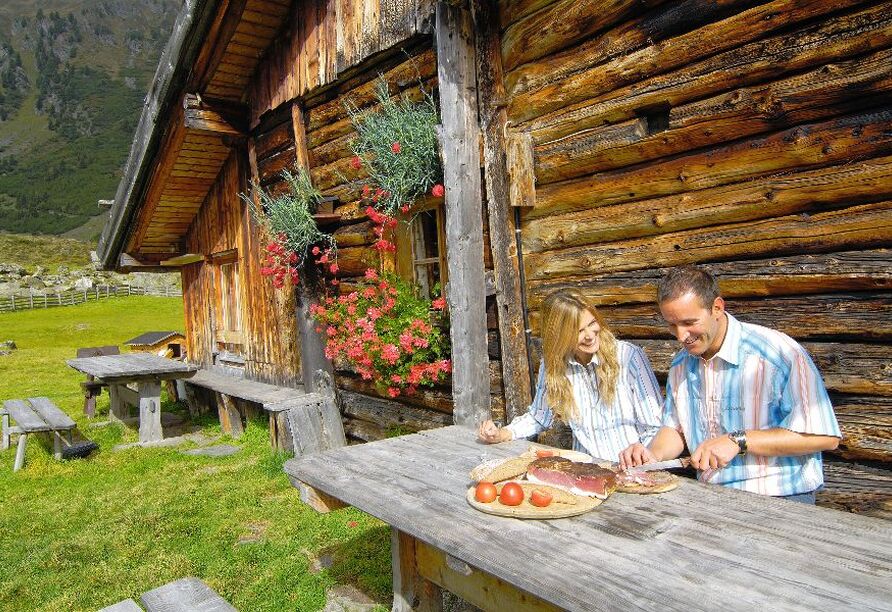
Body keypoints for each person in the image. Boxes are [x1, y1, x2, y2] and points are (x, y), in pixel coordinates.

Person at [619, 266, 841, 503]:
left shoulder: (777, 354)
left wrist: (739, 440)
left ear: (717, 307)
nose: (681, 336)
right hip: (711, 496)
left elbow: (825, 437)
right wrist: (653, 455)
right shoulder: (682, 363)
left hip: (780, 496)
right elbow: (675, 429)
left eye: (689, 322)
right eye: (672, 325)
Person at [477, 290, 663, 462]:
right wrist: (502, 434)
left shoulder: (629, 357)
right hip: (585, 470)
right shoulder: (553, 366)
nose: (590, 335)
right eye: (579, 331)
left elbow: (654, 427)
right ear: (559, 336)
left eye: (592, 324)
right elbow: (539, 417)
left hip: (631, 468)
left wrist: (640, 460)